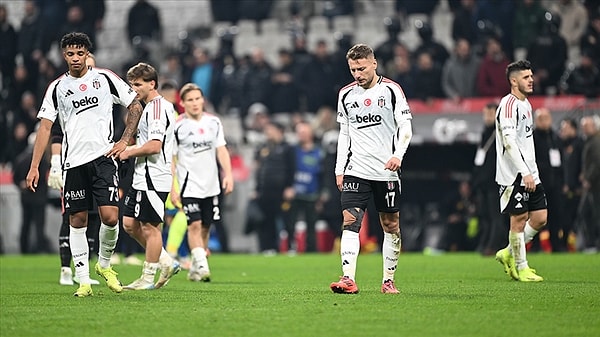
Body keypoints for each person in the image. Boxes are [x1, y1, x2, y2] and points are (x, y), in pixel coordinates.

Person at [26, 32, 144, 297]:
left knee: (110, 217)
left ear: (87, 54)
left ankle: (103, 266)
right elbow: (45, 127)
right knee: (76, 220)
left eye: (80, 53)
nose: (75, 58)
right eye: (70, 53)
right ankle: (83, 280)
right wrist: (35, 167)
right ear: (63, 55)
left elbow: (135, 104)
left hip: (104, 159)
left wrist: (125, 140)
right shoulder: (57, 87)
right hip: (73, 163)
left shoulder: (104, 78)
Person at [330, 44, 412, 294]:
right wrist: (339, 168)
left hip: (386, 171)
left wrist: (398, 155)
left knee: (390, 224)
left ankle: (388, 280)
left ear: (374, 63)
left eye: (362, 68)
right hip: (356, 169)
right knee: (350, 220)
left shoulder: (391, 90)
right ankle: (348, 278)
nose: (357, 74)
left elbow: (406, 127)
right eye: (353, 69)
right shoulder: (346, 94)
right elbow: (344, 133)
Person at [119, 62, 180, 290]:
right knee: (128, 224)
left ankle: (147, 278)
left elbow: (154, 146)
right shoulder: (147, 107)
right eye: (131, 84)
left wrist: (127, 152)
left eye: (138, 84)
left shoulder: (157, 108)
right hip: (141, 175)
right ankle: (165, 261)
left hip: (154, 175)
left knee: (150, 228)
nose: (133, 88)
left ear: (152, 84)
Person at [170, 83, 234, 281]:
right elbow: (172, 159)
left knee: (206, 226)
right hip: (189, 185)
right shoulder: (177, 126)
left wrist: (228, 174)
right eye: (190, 100)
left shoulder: (214, 122)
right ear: (182, 103)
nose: (195, 103)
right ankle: (203, 266)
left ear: (203, 100)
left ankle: (195, 267)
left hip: (211, 185)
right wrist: (173, 188)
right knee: (194, 225)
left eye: (198, 98)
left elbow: (221, 150)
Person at [494, 60, 546, 282]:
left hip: (529, 171)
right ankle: (521, 266)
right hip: (513, 174)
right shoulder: (509, 105)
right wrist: (523, 171)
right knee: (519, 219)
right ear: (513, 81)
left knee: (540, 218)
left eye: (531, 76)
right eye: (526, 77)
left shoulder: (526, 104)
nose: (531, 80)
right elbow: (509, 142)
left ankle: (508, 252)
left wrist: (531, 171)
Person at [471, 102, 507, 256]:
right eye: (485, 114)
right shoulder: (485, 133)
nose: (487, 117)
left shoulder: (501, 134)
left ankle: (493, 246)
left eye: (490, 114)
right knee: (485, 216)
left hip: (495, 182)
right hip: (483, 184)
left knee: (496, 217)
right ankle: (486, 243)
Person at [533, 108, 565, 252]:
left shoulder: (555, 137)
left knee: (556, 214)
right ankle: (535, 246)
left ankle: (556, 244)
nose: (543, 121)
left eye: (546, 118)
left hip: (556, 183)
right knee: (537, 214)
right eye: (540, 118)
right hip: (539, 183)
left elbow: (562, 160)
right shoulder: (532, 138)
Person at [580, 115, 600, 253]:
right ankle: (592, 244)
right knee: (587, 213)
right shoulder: (590, 141)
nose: (584, 129)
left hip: (595, 185)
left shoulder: (596, 142)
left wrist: (588, 178)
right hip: (593, 184)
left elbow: (597, 162)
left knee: (590, 213)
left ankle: (593, 244)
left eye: (587, 126)